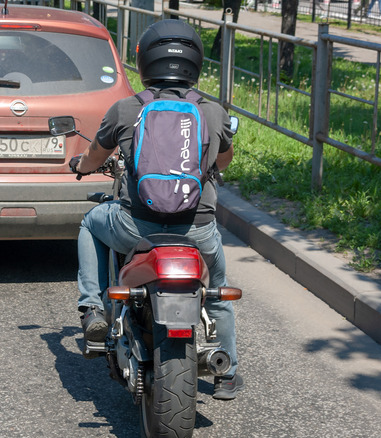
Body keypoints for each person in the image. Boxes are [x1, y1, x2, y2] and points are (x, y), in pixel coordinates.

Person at [69, 19, 244, 400]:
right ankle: (226, 369)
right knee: (216, 290)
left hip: (137, 224)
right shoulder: (212, 112)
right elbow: (224, 161)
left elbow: (95, 156)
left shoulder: (126, 109)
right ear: (196, 63)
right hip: (196, 230)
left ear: (145, 61)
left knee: (89, 223)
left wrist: (80, 167)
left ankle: (92, 309)